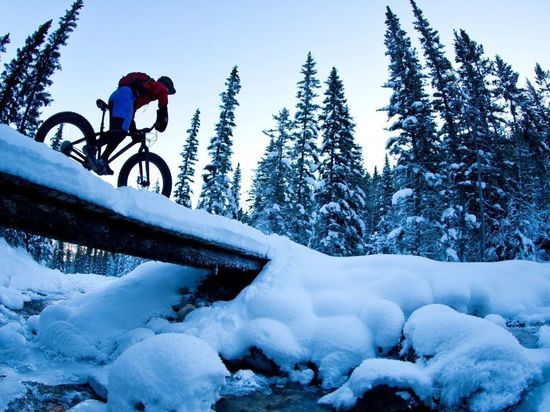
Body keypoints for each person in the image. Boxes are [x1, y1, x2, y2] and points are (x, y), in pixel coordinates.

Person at [85, 72, 176, 175]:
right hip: (125, 96)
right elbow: (162, 93)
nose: (167, 94)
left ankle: (103, 160)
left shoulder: (145, 92)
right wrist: (163, 116)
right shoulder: (158, 86)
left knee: (118, 134)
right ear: (166, 86)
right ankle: (92, 147)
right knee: (119, 133)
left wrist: (133, 130)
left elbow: (131, 111)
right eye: (168, 91)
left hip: (118, 96)